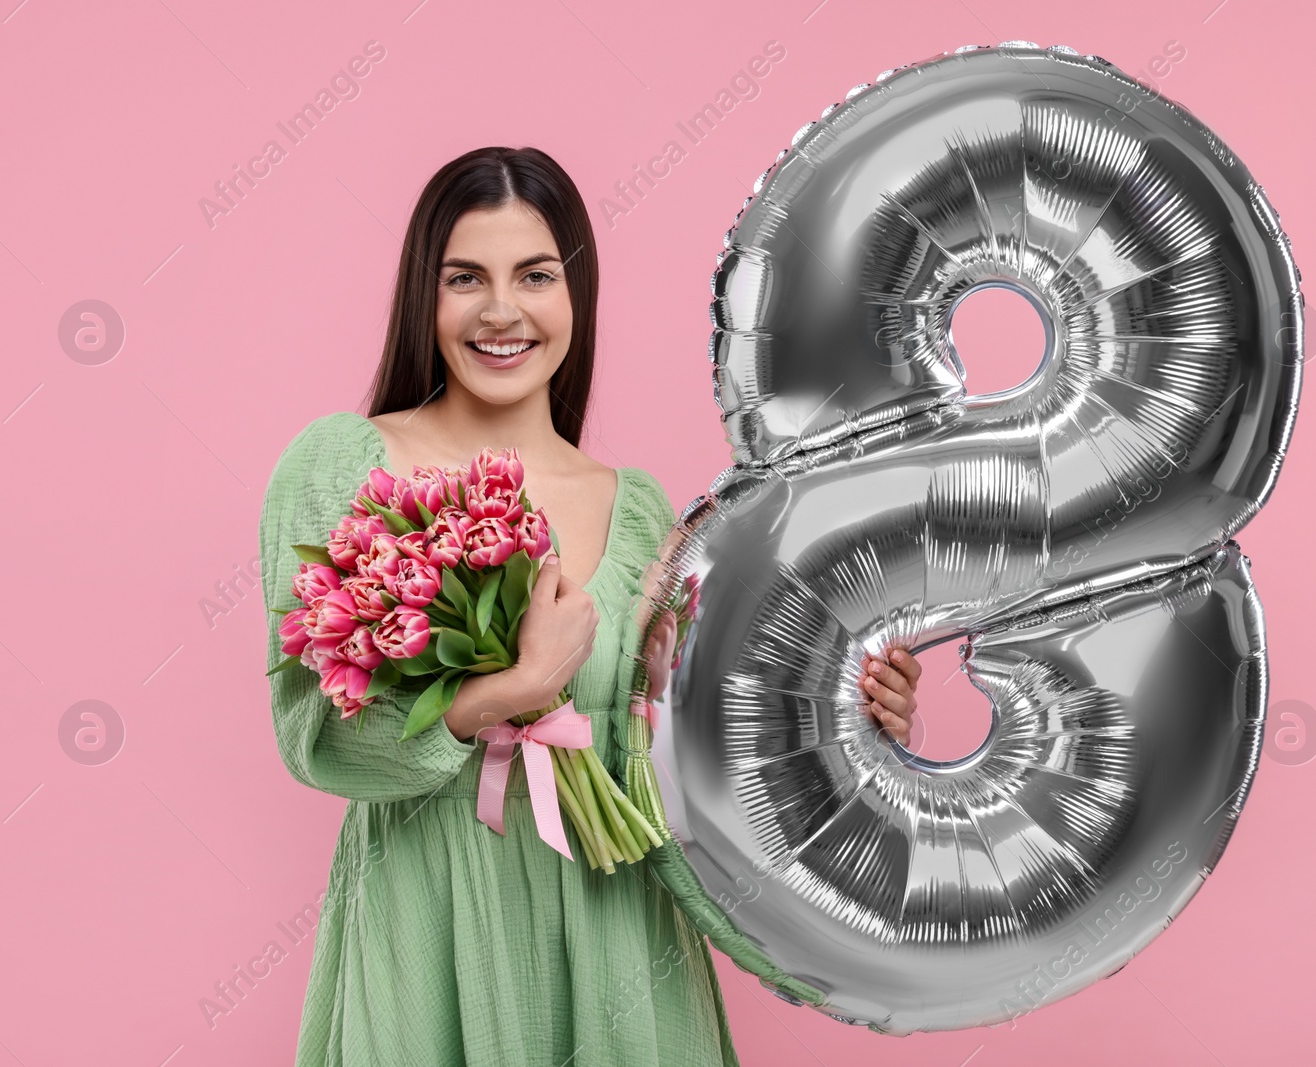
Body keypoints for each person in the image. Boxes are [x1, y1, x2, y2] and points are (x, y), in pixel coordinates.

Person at [258, 145, 923, 1066]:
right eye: (466, 278)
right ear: (426, 295)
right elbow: (318, 737)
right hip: (430, 927)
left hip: (619, 941)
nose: (502, 311)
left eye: (534, 275)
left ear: (577, 294)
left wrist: (851, 710)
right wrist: (513, 686)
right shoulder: (343, 466)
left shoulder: (643, 507)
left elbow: (682, 750)